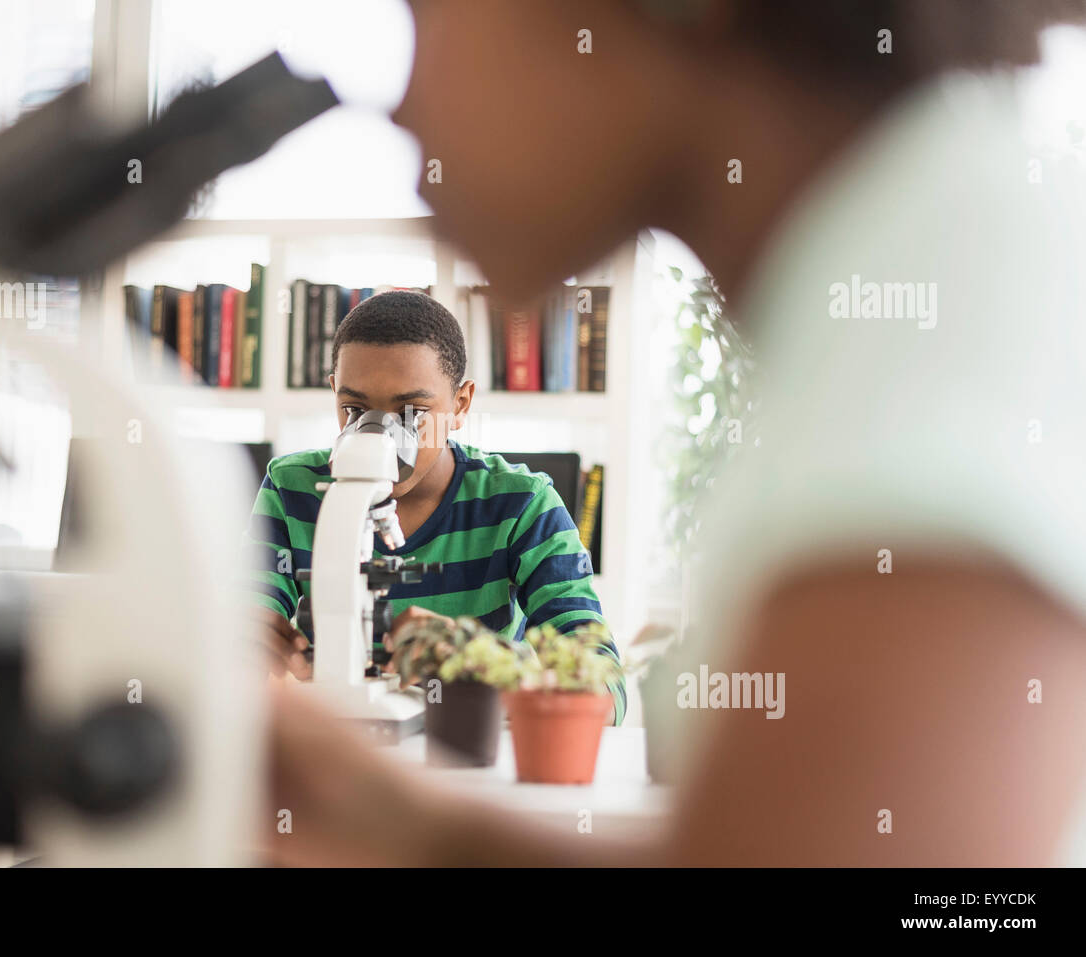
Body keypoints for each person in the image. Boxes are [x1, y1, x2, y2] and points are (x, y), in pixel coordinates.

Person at [265, 0, 1086, 866]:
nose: (401, 109)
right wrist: (395, 819)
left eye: (424, 12)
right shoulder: (897, 267)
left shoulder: (949, 279)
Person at [247, 289, 626, 723]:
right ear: (333, 391)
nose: (379, 436)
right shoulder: (289, 488)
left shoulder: (523, 504)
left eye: (412, 413)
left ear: (460, 404)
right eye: (354, 409)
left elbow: (605, 691)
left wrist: (480, 664)